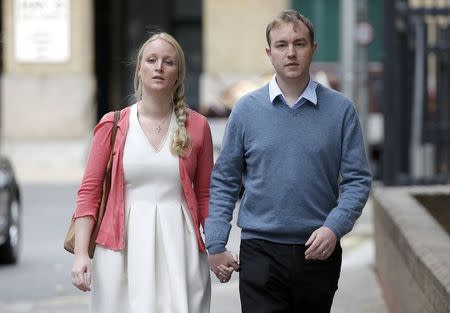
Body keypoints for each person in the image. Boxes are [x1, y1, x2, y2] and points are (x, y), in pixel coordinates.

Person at [205, 9, 372, 313]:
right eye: (281, 45)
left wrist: (334, 227)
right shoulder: (246, 110)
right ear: (269, 53)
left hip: (318, 250)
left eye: (300, 43)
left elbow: (358, 181)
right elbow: (225, 180)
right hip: (260, 252)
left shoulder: (341, 110)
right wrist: (216, 242)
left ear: (314, 49)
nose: (291, 52)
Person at [70, 32, 215, 313]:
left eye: (168, 62)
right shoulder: (112, 125)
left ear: (179, 74)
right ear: (139, 69)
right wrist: (80, 256)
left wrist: (216, 247)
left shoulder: (198, 127)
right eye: (151, 60)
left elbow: (206, 195)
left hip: (180, 247)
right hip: (120, 249)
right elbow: (89, 193)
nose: (159, 67)